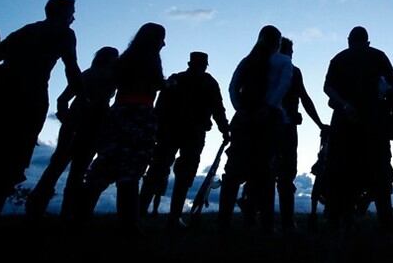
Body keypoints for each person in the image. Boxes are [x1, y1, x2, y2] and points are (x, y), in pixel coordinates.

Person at [0, 0, 83, 220]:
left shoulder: (26, 30)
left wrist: (1, 76)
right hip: (29, 99)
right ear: (62, 14)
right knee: (12, 157)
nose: (74, 17)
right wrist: (84, 97)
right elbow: (71, 68)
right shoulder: (64, 33)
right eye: (71, 12)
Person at [325, 26, 393, 230]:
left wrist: (343, 104)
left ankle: (342, 220)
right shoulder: (377, 56)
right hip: (373, 125)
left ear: (349, 40)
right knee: (379, 173)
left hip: (346, 125)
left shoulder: (339, 59)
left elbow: (327, 88)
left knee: (344, 172)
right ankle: (385, 221)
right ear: (367, 41)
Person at [79, 23, 166, 235]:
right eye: (162, 38)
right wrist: (167, 84)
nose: (164, 43)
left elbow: (115, 79)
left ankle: (79, 216)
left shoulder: (125, 59)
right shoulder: (151, 59)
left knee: (105, 164)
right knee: (130, 170)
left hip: (119, 113)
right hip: (139, 116)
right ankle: (128, 225)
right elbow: (156, 84)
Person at [25, 46, 119, 220]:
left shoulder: (90, 74)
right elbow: (62, 100)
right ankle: (61, 212)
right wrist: (68, 120)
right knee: (72, 170)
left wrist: (67, 120)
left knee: (59, 167)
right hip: (86, 127)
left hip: (83, 126)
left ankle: (38, 207)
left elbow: (62, 100)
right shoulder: (103, 77)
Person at [138, 51, 229, 228]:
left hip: (176, 132)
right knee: (169, 172)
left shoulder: (182, 80)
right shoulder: (206, 83)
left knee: (162, 171)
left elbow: (160, 106)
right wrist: (224, 130)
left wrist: (224, 129)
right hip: (185, 133)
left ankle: (146, 213)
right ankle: (164, 215)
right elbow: (218, 109)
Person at [219, 25, 292, 232]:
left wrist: (240, 108)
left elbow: (233, 87)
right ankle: (266, 223)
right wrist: (268, 107)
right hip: (269, 120)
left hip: (243, 118)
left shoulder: (247, 61)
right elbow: (283, 86)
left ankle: (224, 221)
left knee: (233, 170)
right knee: (266, 171)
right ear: (278, 42)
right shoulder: (284, 61)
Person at [273, 38, 326, 231]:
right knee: (285, 175)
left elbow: (304, 99)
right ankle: (286, 222)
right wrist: (319, 123)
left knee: (275, 174)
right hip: (284, 129)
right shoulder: (293, 72)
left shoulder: (277, 70)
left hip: (275, 128)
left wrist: (319, 123)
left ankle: (279, 221)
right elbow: (305, 99)